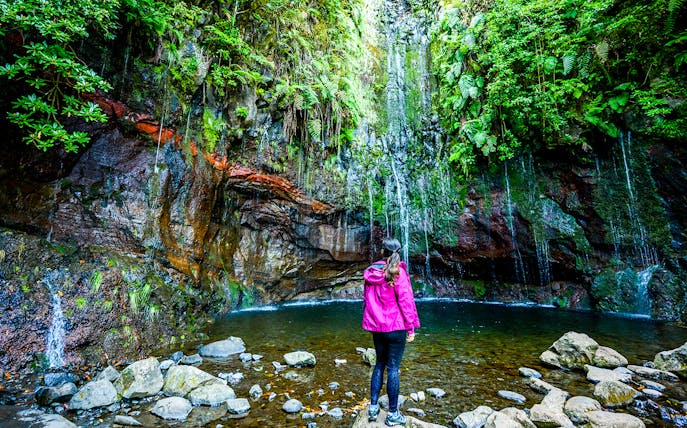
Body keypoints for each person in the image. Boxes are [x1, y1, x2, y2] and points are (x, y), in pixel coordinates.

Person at [362, 237, 420, 426]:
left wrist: (372, 323)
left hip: (378, 328)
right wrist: (410, 327)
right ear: (398, 252)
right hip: (396, 327)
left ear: (382, 251)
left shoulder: (371, 272)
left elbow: (367, 301)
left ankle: (372, 408)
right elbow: (406, 301)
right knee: (393, 368)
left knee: (379, 364)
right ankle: (393, 414)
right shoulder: (398, 272)